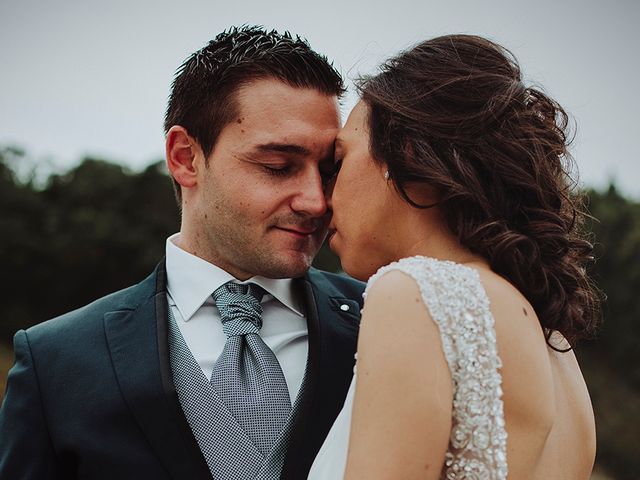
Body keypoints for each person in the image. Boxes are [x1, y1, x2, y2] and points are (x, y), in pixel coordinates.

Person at [0, 26, 364, 480]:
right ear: (185, 158)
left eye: (328, 170)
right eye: (278, 166)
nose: (316, 200)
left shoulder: (382, 323)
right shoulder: (56, 360)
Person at [309, 34, 599, 479]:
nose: (323, 195)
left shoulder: (416, 294)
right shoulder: (556, 346)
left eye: (340, 160)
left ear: (404, 154)